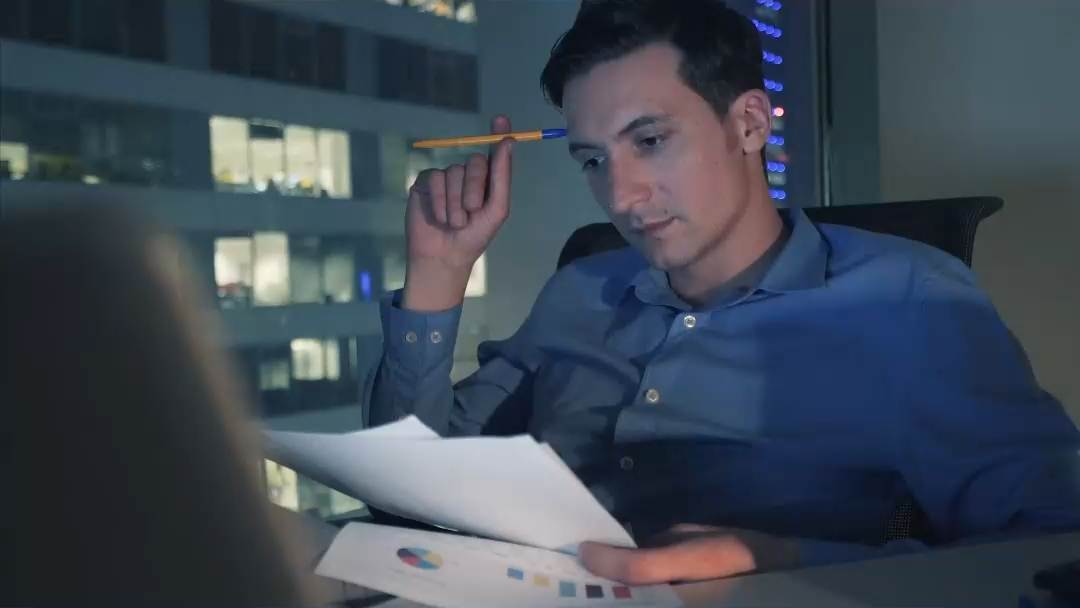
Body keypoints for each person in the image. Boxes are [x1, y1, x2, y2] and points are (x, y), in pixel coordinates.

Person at [366, 0, 1080, 585]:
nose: (620, 194)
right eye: (593, 159)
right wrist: (437, 275)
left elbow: (1054, 542)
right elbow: (411, 486)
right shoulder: (579, 291)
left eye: (649, 141)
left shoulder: (910, 302)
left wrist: (775, 559)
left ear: (749, 123)